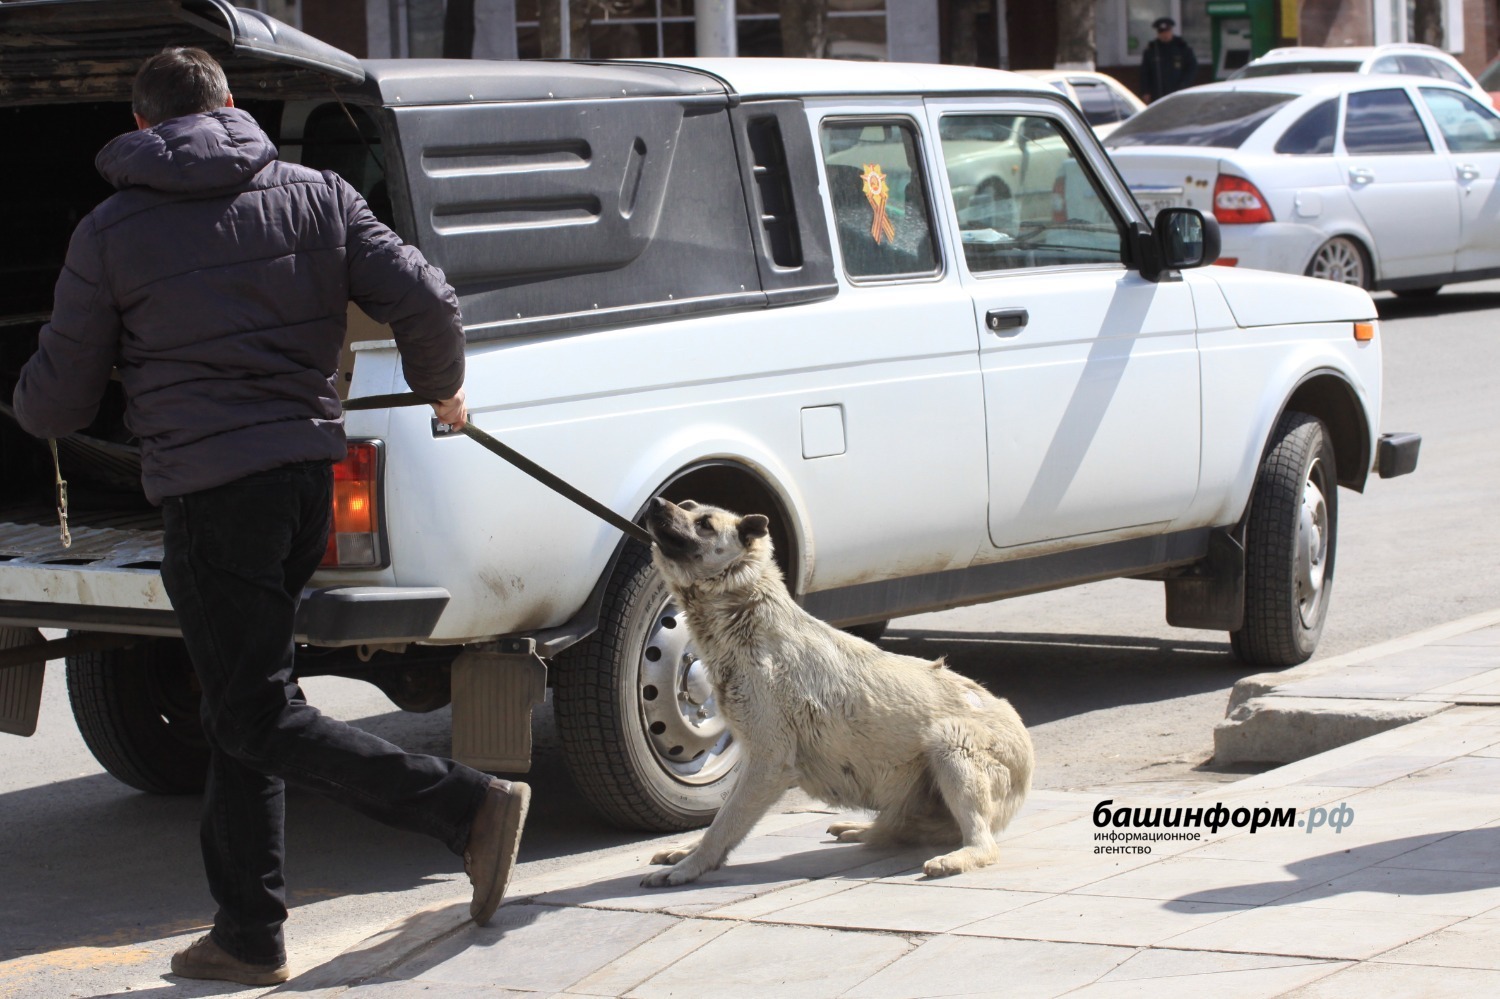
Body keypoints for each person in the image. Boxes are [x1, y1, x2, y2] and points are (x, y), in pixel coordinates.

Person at [13, 47, 529, 987]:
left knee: (251, 710)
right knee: (242, 703)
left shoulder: (112, 229)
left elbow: (59, 400)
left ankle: (465, 807)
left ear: (140, 125)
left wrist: (29, 403)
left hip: (213, 496)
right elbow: (426, 297)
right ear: (230, 104)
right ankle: (248, 931)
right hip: (302, 485)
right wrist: (441, 386)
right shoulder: (317, 195)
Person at [1140, 16, 1198, 102]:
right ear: (1158, 33)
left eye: (1167, 31)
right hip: (1158, 93)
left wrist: (1184, 85)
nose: (1165, 35)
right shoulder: (1152, 50)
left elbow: (1192, 68)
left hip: (1178, 92)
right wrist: (1145, 91)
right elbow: (1145, 72)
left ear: (1171, 31)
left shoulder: (1181, 47)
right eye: (1162, 32)